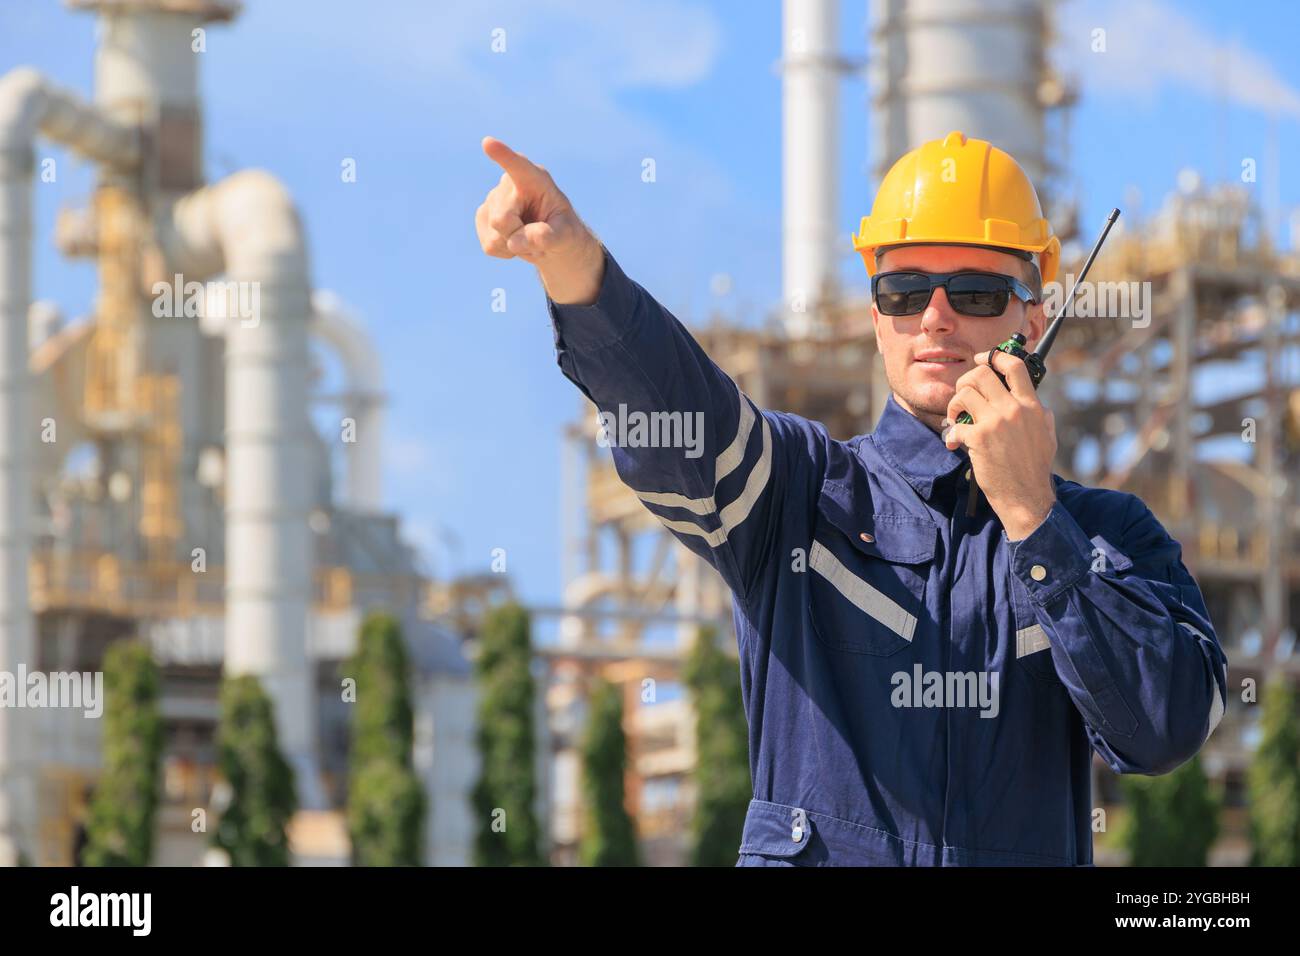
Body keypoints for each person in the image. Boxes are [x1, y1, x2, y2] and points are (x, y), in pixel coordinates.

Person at [475, 130, 1228, 866]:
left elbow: (1164, 727)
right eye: (903, 291)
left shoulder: (1107, 536)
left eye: (974, 291)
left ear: (1033, 318)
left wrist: (1034, 517)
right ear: (876, 320)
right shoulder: (799, 497)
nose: (935, 316)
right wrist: (577, 269)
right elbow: (680, 412)